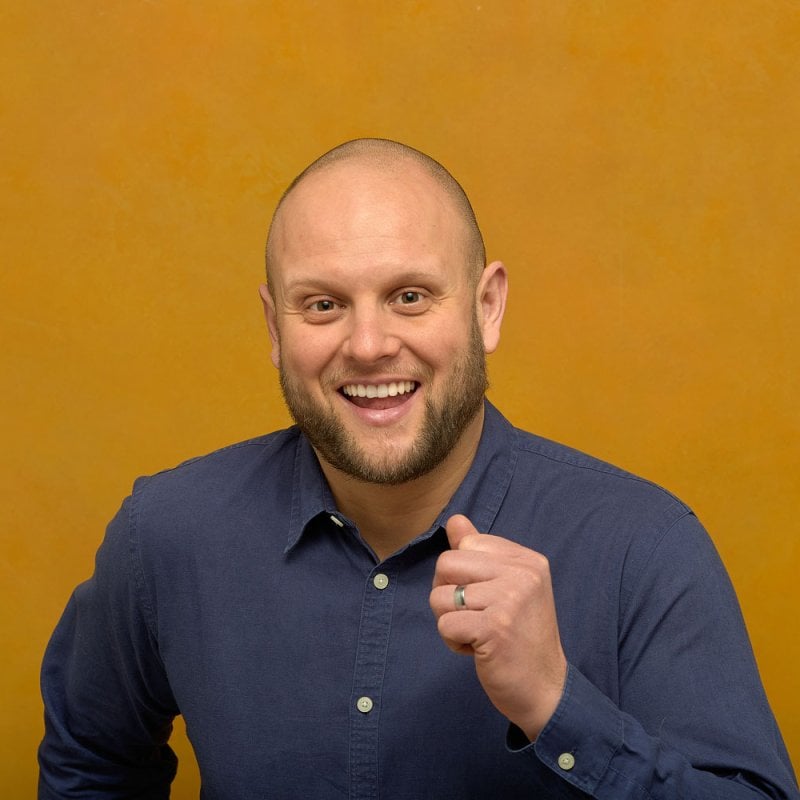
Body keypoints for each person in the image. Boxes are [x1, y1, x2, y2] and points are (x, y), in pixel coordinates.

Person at [39, 138, 798, 800]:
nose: (368, 344)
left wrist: (557, 704)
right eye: (324, 304)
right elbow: (92, 766)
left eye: (409, 296)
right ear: (275, 328)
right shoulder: (165, 535)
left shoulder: (643, 546)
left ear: (487, 306)